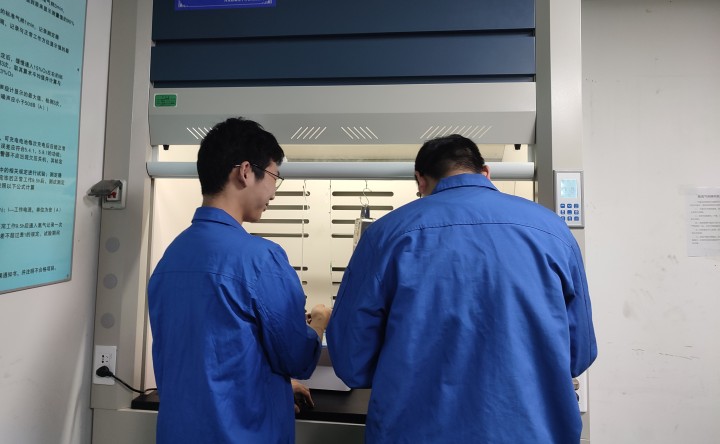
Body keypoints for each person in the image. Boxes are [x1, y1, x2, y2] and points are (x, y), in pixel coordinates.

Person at [327, 134, 597, 444]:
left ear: (420, 180)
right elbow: (579, 354)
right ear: (486, 173)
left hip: (416, 432)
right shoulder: (553, 231)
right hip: (532, 433)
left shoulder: (385, 235)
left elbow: (351, 362)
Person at [148, 117, 331, 444]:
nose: (273, 192)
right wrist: (318, 322)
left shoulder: (170, 258)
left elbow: (209, 360)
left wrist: (274, 385)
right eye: (274, 177)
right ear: (246, 172)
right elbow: (298, 358)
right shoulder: (260, 259)